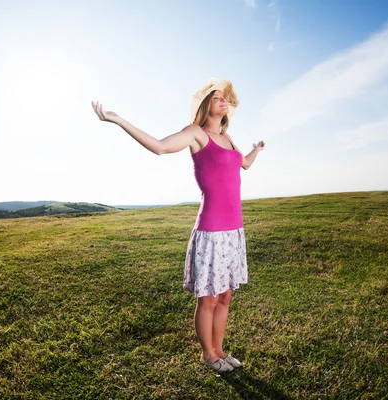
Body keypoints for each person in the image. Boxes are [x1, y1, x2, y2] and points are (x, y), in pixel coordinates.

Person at [91, 79, 265, 372]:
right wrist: (118, 120)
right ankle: (208, 355)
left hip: (235, 229)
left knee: (225, 296)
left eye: (226, 98)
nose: (224, 100)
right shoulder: (195, 134)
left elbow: (243, 164)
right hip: (211, 230)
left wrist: (255, 150)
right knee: (208, 298)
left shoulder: (229, 138)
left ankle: (220, 351)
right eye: (217, 97)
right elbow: (159, 147)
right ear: (205, 105)